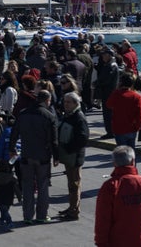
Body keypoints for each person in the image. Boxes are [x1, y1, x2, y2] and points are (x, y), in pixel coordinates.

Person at [9, 89, 58, 224]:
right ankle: (42, 215)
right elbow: (54, 140)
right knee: (42, 186)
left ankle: (28, 216)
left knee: (27, 186)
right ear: (47, 100)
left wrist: (12, 148)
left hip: (26, 154)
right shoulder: (49, 116)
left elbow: (14, 132)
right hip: (43, 156)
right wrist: (56, 156)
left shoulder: (23, 113)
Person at [95, 145, 141, 247]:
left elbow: (103, 219)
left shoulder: (110, 186)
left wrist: (101, 242)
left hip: (117, 241)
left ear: (114, 163)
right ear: (132, 162)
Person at [56, 91, 89, 221]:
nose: (66, 104)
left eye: (68, 102)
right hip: (70, 156)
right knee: (72, 184)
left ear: (76, 103)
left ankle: (74, 211)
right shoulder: (70, 115)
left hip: (74, 157)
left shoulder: (79, 117)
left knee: (74, 184)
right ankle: (72, 207)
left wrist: (68, 148)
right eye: (65, 102)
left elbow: (83, 138)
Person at [107, 72, 141, 150]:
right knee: (131, 153)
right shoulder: (136, 96)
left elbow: (108, 104)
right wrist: (137, 127)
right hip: (132, 128)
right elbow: (140, 115)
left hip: (119, 128)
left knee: (122, 154)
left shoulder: (116, 94)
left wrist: (116, 89)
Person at [0, 160, 17, 230]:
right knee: (5, 210)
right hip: (9, 197)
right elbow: (16, 188)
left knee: (4, 210)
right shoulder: (12, 178)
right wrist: (19, 196)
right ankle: (1, 220)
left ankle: (9, 222)